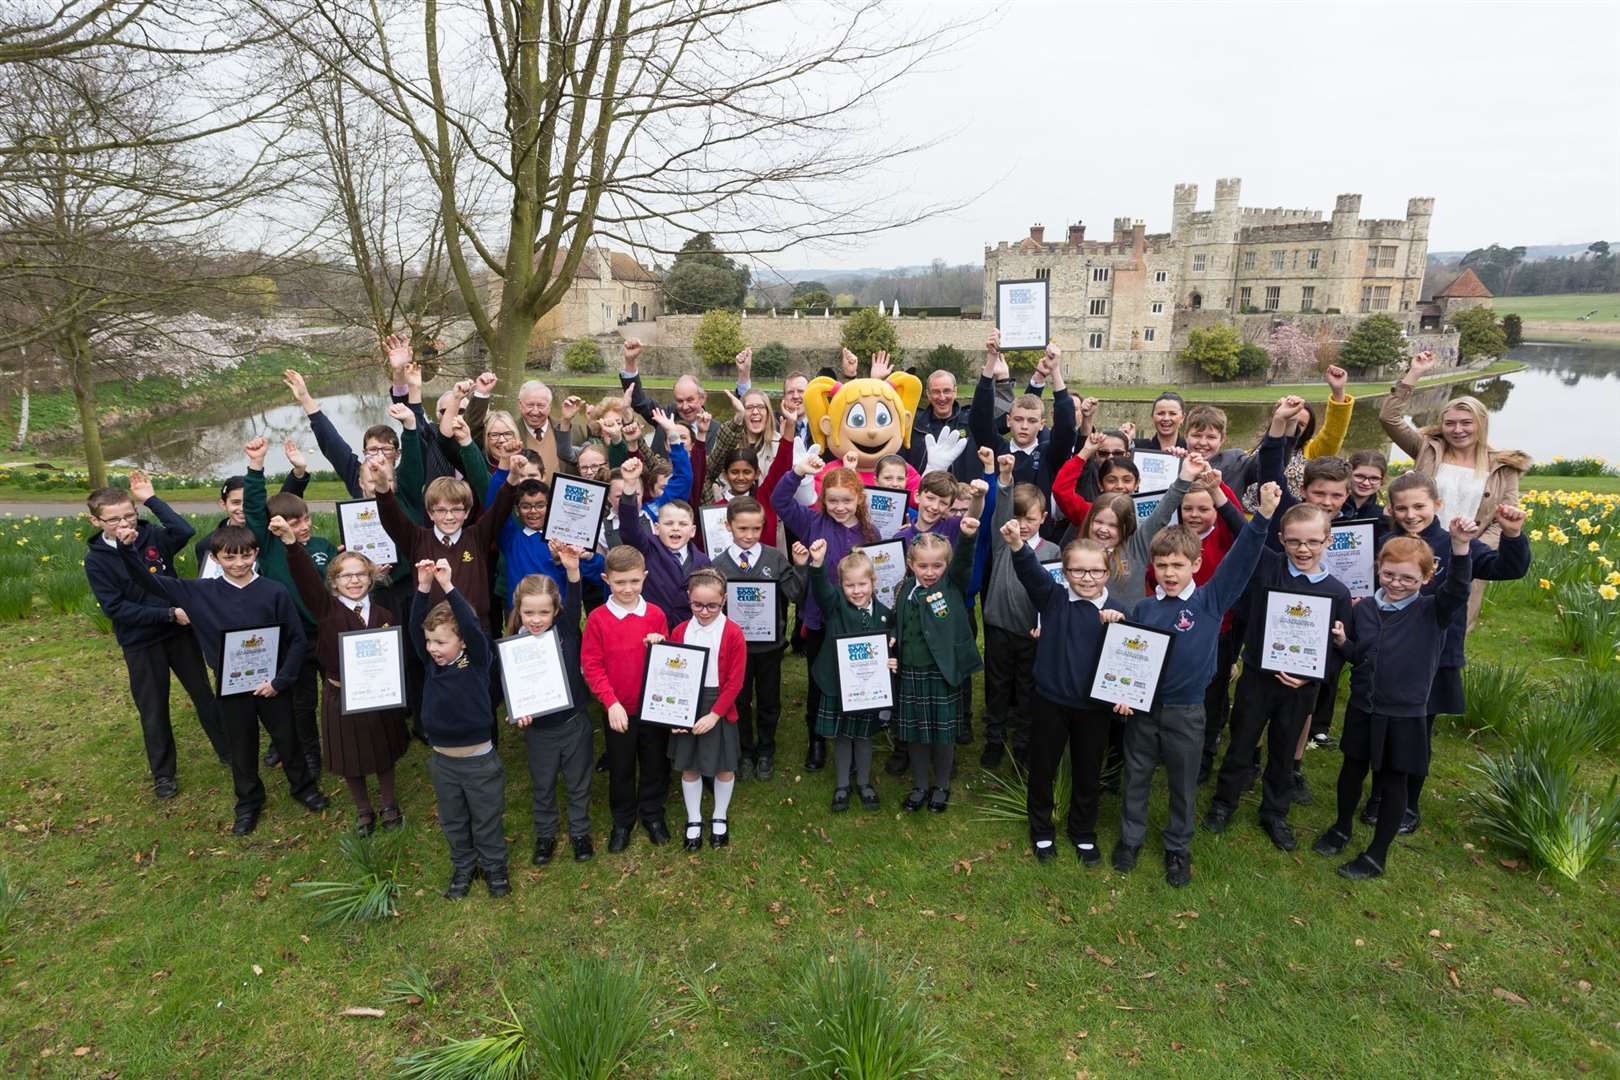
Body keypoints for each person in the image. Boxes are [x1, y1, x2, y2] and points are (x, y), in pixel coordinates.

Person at [1114, 481, 1277, 888]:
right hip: (1145, 710)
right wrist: (1123, 695)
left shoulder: (1210, 600)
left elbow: (1241, 560)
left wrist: (1264, 519)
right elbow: (1129, 658)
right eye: (1163, 566)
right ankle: (1131, 838)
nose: (1169, 573)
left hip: (1187, 710)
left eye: (1178, 565)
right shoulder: (1144, 608)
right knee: (1135, 774)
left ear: (1197, 565)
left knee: (1183, 782)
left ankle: (1177, 846)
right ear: (1154, 567)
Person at [121, 523, 326, 835]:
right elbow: (145, 581)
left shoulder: (274, 591)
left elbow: (297, 640)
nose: (239, 563)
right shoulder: (199, 592)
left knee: (288, 740)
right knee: (242, 747)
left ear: (256, 553)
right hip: (232, 688)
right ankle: (248, 801)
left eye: (246, 556)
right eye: (230, 558)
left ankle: (303, 788)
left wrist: (281, 681)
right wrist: (126, 549)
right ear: (215, 559)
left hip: (273, 685)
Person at [1362, 473, 1530, 833]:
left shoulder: (1455, 542)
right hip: (1389, 654)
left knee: (1418, 731)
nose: (1411, 514)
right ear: (1391, 508)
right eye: (1402, 507)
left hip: (1437, 658)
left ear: (1436, 505)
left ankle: (1409, 802)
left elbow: (1510, 569)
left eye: (1419, 506)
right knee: (1384, 726)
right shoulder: (1385, 541)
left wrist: (1512, 534)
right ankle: (1380, 794)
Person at [1313, 520, 1479, 880]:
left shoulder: (1433, 611)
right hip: (1363, 707)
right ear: (1378, 569)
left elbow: (1459, 589)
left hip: (1403, 715)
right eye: (1389, 574)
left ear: (1427, 578)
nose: (1397, 584)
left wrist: (1461, 546)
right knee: (1351, 770)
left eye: (1408, 579)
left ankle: (1377, 854)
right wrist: (1344, 643)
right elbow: (1362, 655)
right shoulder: (1364, 611)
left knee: (1391, 783)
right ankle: (1341, 827)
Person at [1203, 503, 1352, 851]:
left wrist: (1314, 676)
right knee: (1241, 743)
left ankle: (1275, 812)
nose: (1304, 549)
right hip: (1258, 677)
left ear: (1328, 541)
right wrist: (1220, 495)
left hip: (1300, 687)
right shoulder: (1267, 568)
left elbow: (1338, 648)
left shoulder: (1338, 591)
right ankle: (1224, 802)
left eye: (1314, 541)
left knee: (1284, 750)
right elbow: (1242, 528)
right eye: (1295, 541)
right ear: (1281, 539)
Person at [84, 474, 228, 798]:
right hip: (141, 643)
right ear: (95, 520)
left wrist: (151, 500)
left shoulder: (152, 537)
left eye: (129, 514)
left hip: (179, 634)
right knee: (153, 708)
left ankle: (228, 752)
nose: (124, 523)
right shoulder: (96, 560)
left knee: (203, 694)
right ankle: (164, 774)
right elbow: (115, 607)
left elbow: (185, 531)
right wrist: (166, 614)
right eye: (113, 519)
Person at [271, 517, 409, 836]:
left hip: (380, 695)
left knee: (384, 748)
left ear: (371, 577)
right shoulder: (326, 610)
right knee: (350, 754)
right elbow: (305, 579)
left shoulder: (385, 615)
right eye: (346, 576)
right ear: (333, 582)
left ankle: (388, 803)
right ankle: (364, 809)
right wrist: (292, 546)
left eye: (361, 574)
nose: (354, 581)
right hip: (341, 694)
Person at [1002, 526, 1128, 864]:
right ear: (1065, 571)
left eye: (1096, 571)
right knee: (1042, 767)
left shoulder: (1117, 612)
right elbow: (1030, 572)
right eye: (1077, 570)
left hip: (1094, 708)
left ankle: (1083, 832)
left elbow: (1131, 662)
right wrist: (1016, 544)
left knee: (1088, 771)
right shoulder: (1053, 598)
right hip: (1050, 702)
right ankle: (1042, 830)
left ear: (1108, 571)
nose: (1087, 578)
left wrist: (1118, 626)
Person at [1379, 350, 1529, 627]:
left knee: (1451, 628)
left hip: (1465, 557)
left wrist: (1469, 552)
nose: (1457, 430)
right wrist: (1414, 373)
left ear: (1481, 424)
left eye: (1465, 423)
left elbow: (1502, 519)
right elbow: (1389, 418)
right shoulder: (1427, 449)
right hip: (1415, 550)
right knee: (1400, 621)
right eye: (1450, 423)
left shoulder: (1503, 466)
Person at [772, 450, 881, 772]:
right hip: (819, 617)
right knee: (819, 679)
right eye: (833, 501)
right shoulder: (811, 521)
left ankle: (853, 731)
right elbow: (780, 501)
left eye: (846, 501)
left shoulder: (869, 533)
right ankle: (816, 739)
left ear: (859, 499)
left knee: (855, 675)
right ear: (823, 499)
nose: (839, 507)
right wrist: (797, 472)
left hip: (855, 619)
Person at [410, 558, 508, 899]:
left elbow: (468, 621)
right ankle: (464, 865)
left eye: (441, 642)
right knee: (453, 820)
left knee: (485, 817)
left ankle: (494, 866)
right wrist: (424, 587)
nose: (433, 649)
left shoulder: (475, 660)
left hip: (479, 761)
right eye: (430, 641)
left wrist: (448, 586)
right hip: (443, 762)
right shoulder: (431, 665)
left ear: (463, 641)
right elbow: (413, 628)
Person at [242, 437, 335, 776]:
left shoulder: (323, 546)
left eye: (305, 519)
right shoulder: (269, 547)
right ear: (277, 526)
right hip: (292, 638)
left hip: (325, 633)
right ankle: (310, 754)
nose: (304, 527)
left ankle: (339, 742)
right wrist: (256, 465)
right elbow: (255, 508)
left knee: (335, 693)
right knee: (302, 701)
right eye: (294, 524)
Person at [582, 545, 672, 852]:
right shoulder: (597, 619)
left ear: (644, 577)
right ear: (606, 579)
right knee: (621, 767)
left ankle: (653, 813)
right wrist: (610, 702)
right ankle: (622, 820)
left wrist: (662, 645)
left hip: (653, 708)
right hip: (619, 710)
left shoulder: (656, 615)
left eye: (634, 581)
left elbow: (671, 665)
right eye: (620, 582)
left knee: (654, 762)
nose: (627, 589)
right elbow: (592, 666)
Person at [507, 555, 595, 866]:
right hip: (540, 731)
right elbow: (513, 689)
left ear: (556, 611)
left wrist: (573, 570)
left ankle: (580, 831)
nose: (535, 619)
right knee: (543, 785)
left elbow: (575, 596)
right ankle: (545, 835)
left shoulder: (566, 631)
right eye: (528, 612)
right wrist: (516, 710)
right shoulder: (514, 646)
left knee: (578, 781)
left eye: (544, 612)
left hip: (573, 724)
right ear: (519, 611)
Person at [709, 496, 804, 781]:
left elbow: (795, 594)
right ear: (729, 526)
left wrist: (799, 567)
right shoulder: (719, 564)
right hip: (736, 650)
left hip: (769, 647)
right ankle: (744, 751)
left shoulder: (774, 558)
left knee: (768, 700)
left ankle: (766, 750)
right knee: (738, 701)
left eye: (756, 529)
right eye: (742, 529)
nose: (749, 536)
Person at [892, 524, 984, 814]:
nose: (930, 572)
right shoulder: (905, 589)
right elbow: (896, 621)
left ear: (947, 565)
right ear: (911, 565)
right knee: (916, 734)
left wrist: (968, 537)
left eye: (937, 565)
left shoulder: (952, 584)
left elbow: (965, 561)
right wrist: (890, 639)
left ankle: (941, 785)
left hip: (941, 674)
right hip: (910, 674)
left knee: (943, 734)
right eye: (923, 566)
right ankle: (920, 785)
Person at [803, 543, 894, 811]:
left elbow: (890, 641)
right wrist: (817, 565)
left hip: (868, 689)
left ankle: (865, 783)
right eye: (849, 586)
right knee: (843, 737)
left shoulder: (885, 615)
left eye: (862, 584)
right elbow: (821, 591)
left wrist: (891, 651)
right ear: (841, 586)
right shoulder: (835, 607)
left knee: (864, 737)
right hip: (837, 685)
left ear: (873, 582)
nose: (856, 591)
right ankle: (842, 785)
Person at [980, 456, 1057, 771]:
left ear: (1044, 517)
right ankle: (994, 740)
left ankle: (1023, 743)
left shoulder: (1052, 553)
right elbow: (1001, 505)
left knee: (1027, 691)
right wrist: (1006, 477)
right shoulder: (1003, 543)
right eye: (1017, 517)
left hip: (1032, 635)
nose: (1023, 524)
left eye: (1030, 518)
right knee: (997, 688)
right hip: (999, 629)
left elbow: (1055, 595)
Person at [664, 569, 747, 850]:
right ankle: (694, 818)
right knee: (690, 767)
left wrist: (715, 714)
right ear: (689, 598)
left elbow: (735, 682)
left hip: (719, 705)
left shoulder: (733, 633)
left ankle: (720, 815)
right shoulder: (680, 631)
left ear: (723, 600)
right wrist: (673, 715)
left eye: (712, 605)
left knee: (724, 767)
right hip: (689, 702)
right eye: (697, 604)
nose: (704, 611)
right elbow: (671, 677)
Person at [617, 456, 709, 625]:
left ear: (693, 531)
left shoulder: (703, 561)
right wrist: (630, 485)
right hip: (651, 630)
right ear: (657, 528)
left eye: (682, 524)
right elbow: (629, 527)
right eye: (668, 523)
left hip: (689, 634)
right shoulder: (647, 548)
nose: (675, 528)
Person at [1345, 449, 1390, 520]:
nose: (1366, 483)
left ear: (1382, 480)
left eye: (1374, 478)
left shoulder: (1383, 515)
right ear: (1348, 474)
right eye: (1359, 476)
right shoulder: (1331, 509)